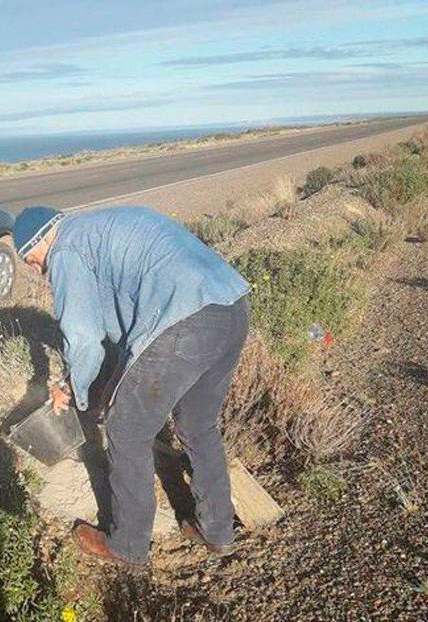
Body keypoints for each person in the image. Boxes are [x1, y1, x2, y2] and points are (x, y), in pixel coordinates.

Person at [13, 205, 251, 566]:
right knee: (199, 426)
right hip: (231, 307)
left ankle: (126, 545)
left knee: (126, 430)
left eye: (30, 260)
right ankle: (216, 530)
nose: (37, 271)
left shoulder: (66, 249)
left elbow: (83, 336)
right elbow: (128, 334)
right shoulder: (100, 227)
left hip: (183, 320)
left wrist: (70, 388)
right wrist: (106, 386)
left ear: (42, 238)